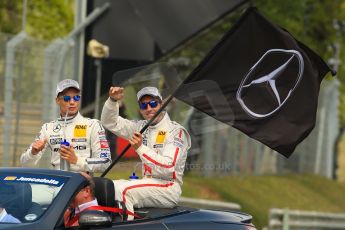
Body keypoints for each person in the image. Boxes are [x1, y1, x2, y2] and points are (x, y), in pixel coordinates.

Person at [101, 86, 191, 220]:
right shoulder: (141, 127)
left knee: (123, 191)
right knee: (106, 187)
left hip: (168, 187)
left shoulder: (176, 131)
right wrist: (112, 101)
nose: (149, 108)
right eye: (144, 105)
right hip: (148, 182)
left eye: (153, 103)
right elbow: (110, 122)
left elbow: (168, 167)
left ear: (161, 104)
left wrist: (140, 148)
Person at [20, 79, 111, 173]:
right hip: (57, 182)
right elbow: (24, 164)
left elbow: (106, 163)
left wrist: (77, 160)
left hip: (82, 182)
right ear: (57, 100)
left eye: (76, 98)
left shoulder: (93, 125)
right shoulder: (48, 128)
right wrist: (33, 153)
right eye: (67, 98)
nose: (72, 102)